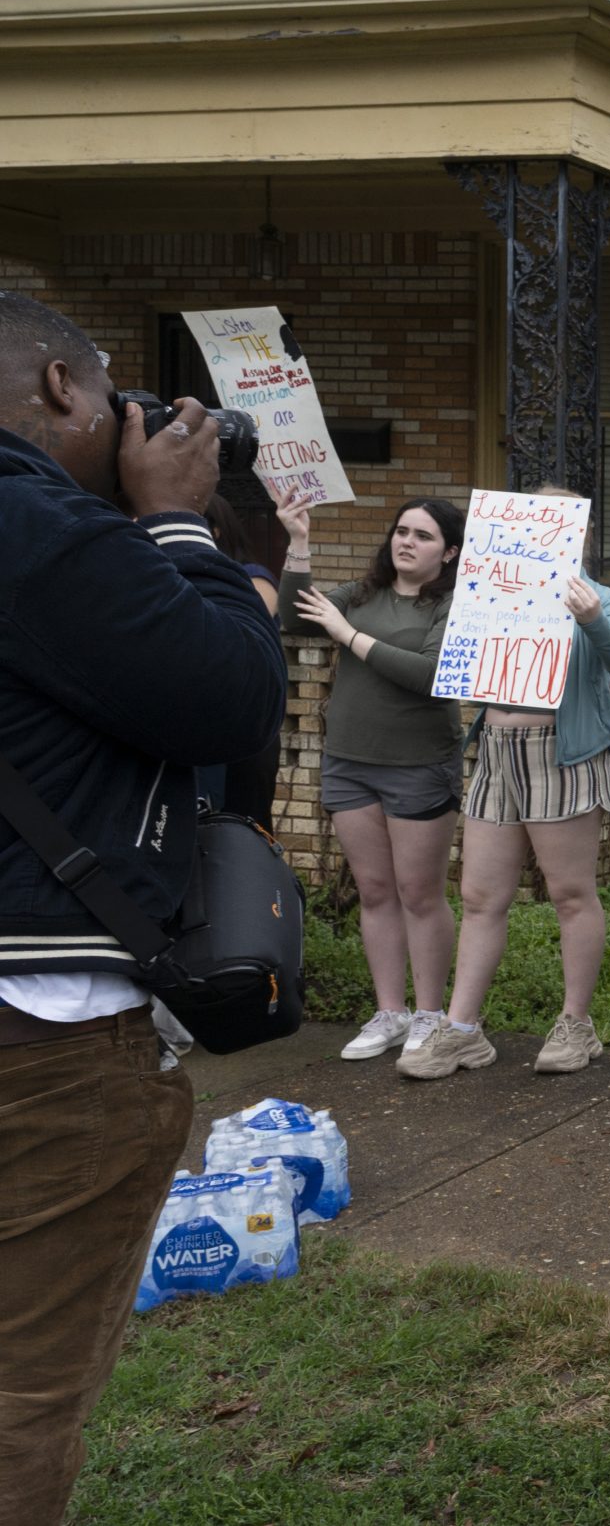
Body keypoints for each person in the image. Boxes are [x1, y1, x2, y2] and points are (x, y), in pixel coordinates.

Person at [0, 292, 286, 1523]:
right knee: (20, 1394)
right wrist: (172, 521)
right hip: (42, 1046)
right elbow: (229, 702)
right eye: (118, 395)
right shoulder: (33, 520)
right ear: (59, 385)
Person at [403, 485, 610, 1081]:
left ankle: (575, 1024)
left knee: (569, 893)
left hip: (561, 751)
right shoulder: (489, 593)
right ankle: (461, 1031)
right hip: (495, 748)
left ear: (577, 534)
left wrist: (590, 621)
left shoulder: (599, 596)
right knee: (482, 896)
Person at [276, 488, 466, 1063]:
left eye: (423, 536)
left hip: (419, 765)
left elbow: (431, 674)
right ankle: (390, 1012)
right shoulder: (362, 594)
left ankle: (431, 1016)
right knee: (376, 891)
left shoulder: (451, 605)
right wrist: (299, 542)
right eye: (402, 531)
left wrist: (349, 635)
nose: (406, 542)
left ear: (450, 553)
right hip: (350, 763)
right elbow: (294, 619)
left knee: (419, 893)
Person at [201, 487, 285, 830]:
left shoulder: (253, 576)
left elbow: (238, 641)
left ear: (216, 529)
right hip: (198, 729)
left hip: (245, 731)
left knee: (242, 826)